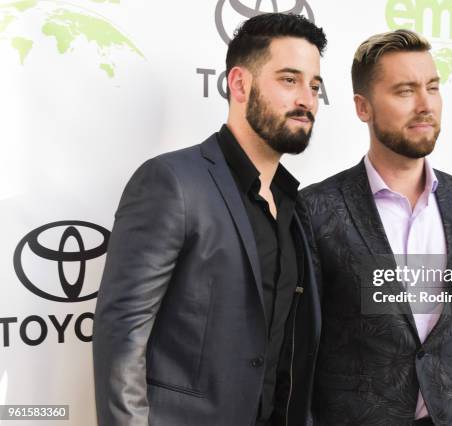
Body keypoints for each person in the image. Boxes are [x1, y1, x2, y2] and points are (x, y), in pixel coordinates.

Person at [93, 13, 326, 426]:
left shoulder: (296, 206)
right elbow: (122, 336)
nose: (306, 99)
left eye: (314, 85)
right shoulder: (172, 182)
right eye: (289, 80)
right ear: (239, 84)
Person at [299, 30, 452, 426]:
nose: (425, 105)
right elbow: (300, 345)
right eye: (404, 91)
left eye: (432, 87)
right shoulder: (317, 209)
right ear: (363, 107)